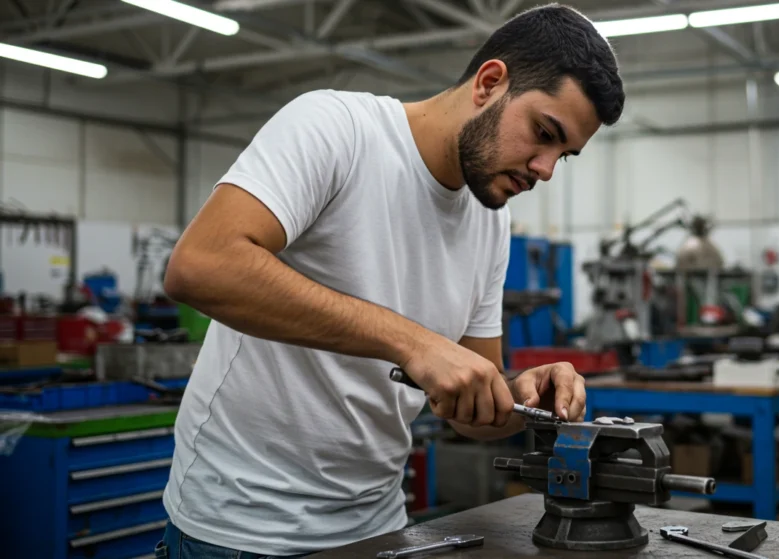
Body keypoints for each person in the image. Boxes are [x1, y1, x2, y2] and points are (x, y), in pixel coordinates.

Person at [156, 5, 625, 558]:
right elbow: (200, 266)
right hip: (243, 530)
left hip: (379, 528)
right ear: (490, 82)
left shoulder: (491, 219)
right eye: (543, 133)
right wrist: (414, 341)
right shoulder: (337, 129)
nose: (545, 169)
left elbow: (473, 411)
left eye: (562, 156)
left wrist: (521, 395)